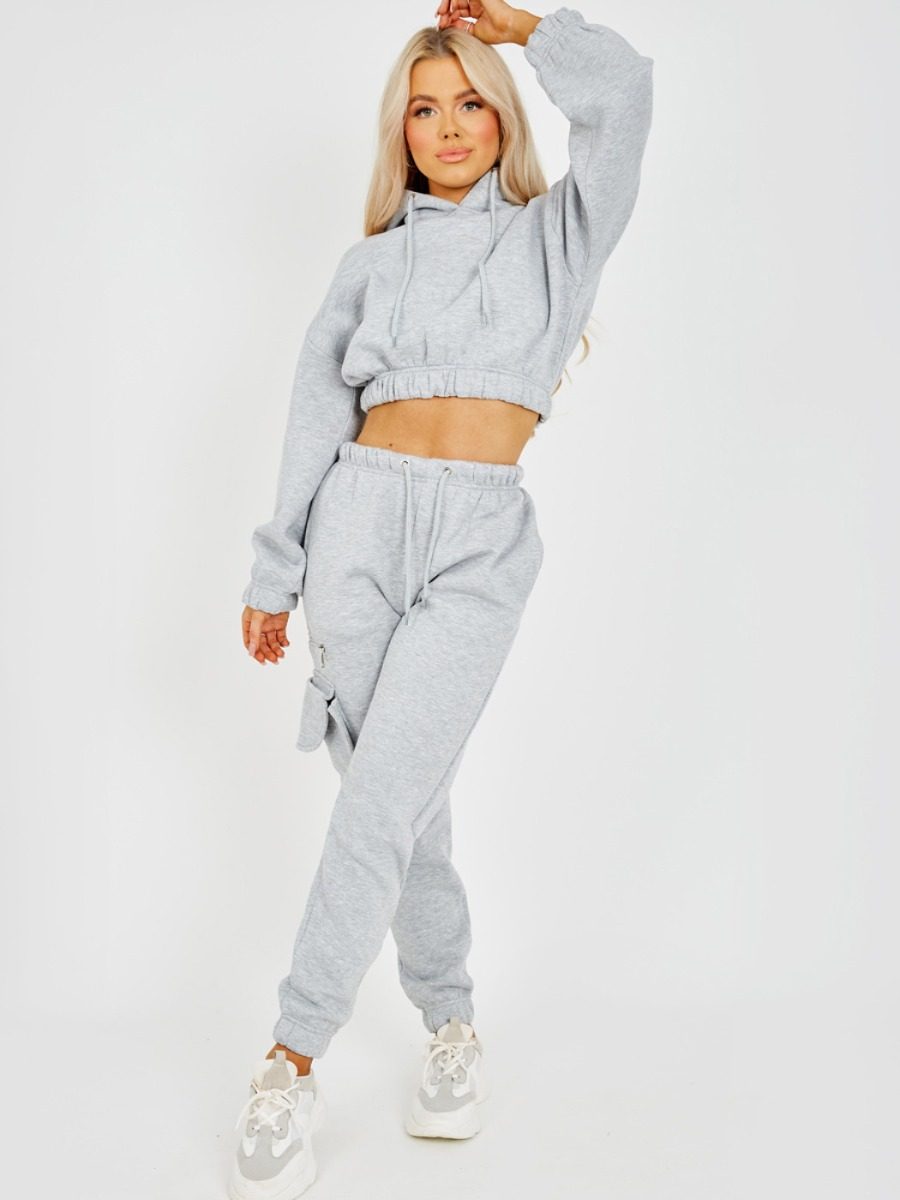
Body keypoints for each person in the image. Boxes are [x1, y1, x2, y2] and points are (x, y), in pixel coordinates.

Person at [229, 2, 654, 1196]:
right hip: (354, 528)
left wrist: (526, 30)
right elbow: (315, 415)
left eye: (471, 101)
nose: (451, 125)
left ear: (503, 115)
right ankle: (453, 1022)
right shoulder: (368, 265)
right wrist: (275, 568)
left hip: (478, 540)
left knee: (380, 806)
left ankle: (288, 1061)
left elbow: (626, 97)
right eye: (425, 108)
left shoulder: (560, 236)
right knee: (399, 806)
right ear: (401, 132)